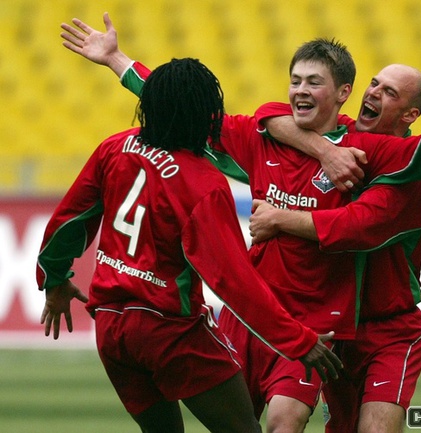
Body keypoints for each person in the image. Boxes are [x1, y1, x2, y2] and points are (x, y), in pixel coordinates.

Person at [59, 13, 421, 433]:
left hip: (319, 322)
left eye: (313, 83)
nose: (301, 90)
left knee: (287, 421)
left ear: (342, 92)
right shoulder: (264, 135)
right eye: (295, 81)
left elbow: (391, 191)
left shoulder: (367, 153)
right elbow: (180, 103)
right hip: (253, 316)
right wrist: (116, 61)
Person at [36, 57, 342, 433]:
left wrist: (54, 280)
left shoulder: (114, 148)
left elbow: (68, 221)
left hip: (112, 329)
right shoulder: (203, 183)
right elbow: (233, 280)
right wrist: (297, 341)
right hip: (171, 332)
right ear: (204, 114)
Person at [247, 63, 421, 433]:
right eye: (374, 84)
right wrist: (325, 150)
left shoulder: (410, 173)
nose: (373, 93)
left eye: (389, 92)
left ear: (409, 115)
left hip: (389, 327)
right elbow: (270, 115)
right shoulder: (345, 138)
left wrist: (279, 218)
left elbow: (355, 228)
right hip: (335, 327)